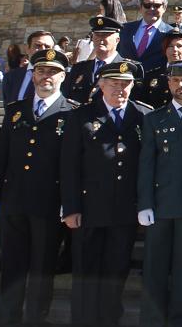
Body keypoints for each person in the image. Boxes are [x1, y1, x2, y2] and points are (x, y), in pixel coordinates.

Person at [0, 48, 80, 327]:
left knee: (42, 268)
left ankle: (36, 319)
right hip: (14, 202)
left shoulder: (72, 113)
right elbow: (0, 157)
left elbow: (72, 165)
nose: (46, 76)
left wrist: (70, 202)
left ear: (63, 77)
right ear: (33, 74)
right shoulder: (16, 111)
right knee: (12, 268)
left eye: (52, 72)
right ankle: (8, 319)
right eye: (41, 71)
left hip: (49, 205)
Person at [61, 59, 152, 327]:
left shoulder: (142, 116)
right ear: (101, 85)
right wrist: (71, 207)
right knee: (86, 271)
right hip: (89, 208)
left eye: (126, 85)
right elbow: (69, 165)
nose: (120, 90)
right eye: (114, 84)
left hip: (124, 209)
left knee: (116, 271)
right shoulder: (81, 116)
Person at [137, 60, 182, 327]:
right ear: (168, 83)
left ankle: (181, 320)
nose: (180, 85)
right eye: (175, 80)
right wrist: (144, 204)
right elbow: (146, 165)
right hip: (161, 205)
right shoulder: (154, 118)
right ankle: (152, 320)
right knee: (155, 268)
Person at [63, 16, 125, 104]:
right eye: (97, 35)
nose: (100, 38)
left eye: (105, 35)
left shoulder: (126, 69)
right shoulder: (79, 68)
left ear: (117, 40)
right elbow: (66, 97)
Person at [119, 0, 173, 74]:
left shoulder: (171, 34)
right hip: (125, 83)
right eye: (147, 5)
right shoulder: (125, 30)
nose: (151, 9)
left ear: (164, 8)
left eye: (156, 5)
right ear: (140, 8)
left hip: (155, 84)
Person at [0, 30, 56, 105]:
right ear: (27, 48)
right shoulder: (11, 76)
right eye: (38, 45)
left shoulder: (61, 78)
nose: (43, 49)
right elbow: (8, 107)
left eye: (47, 47)